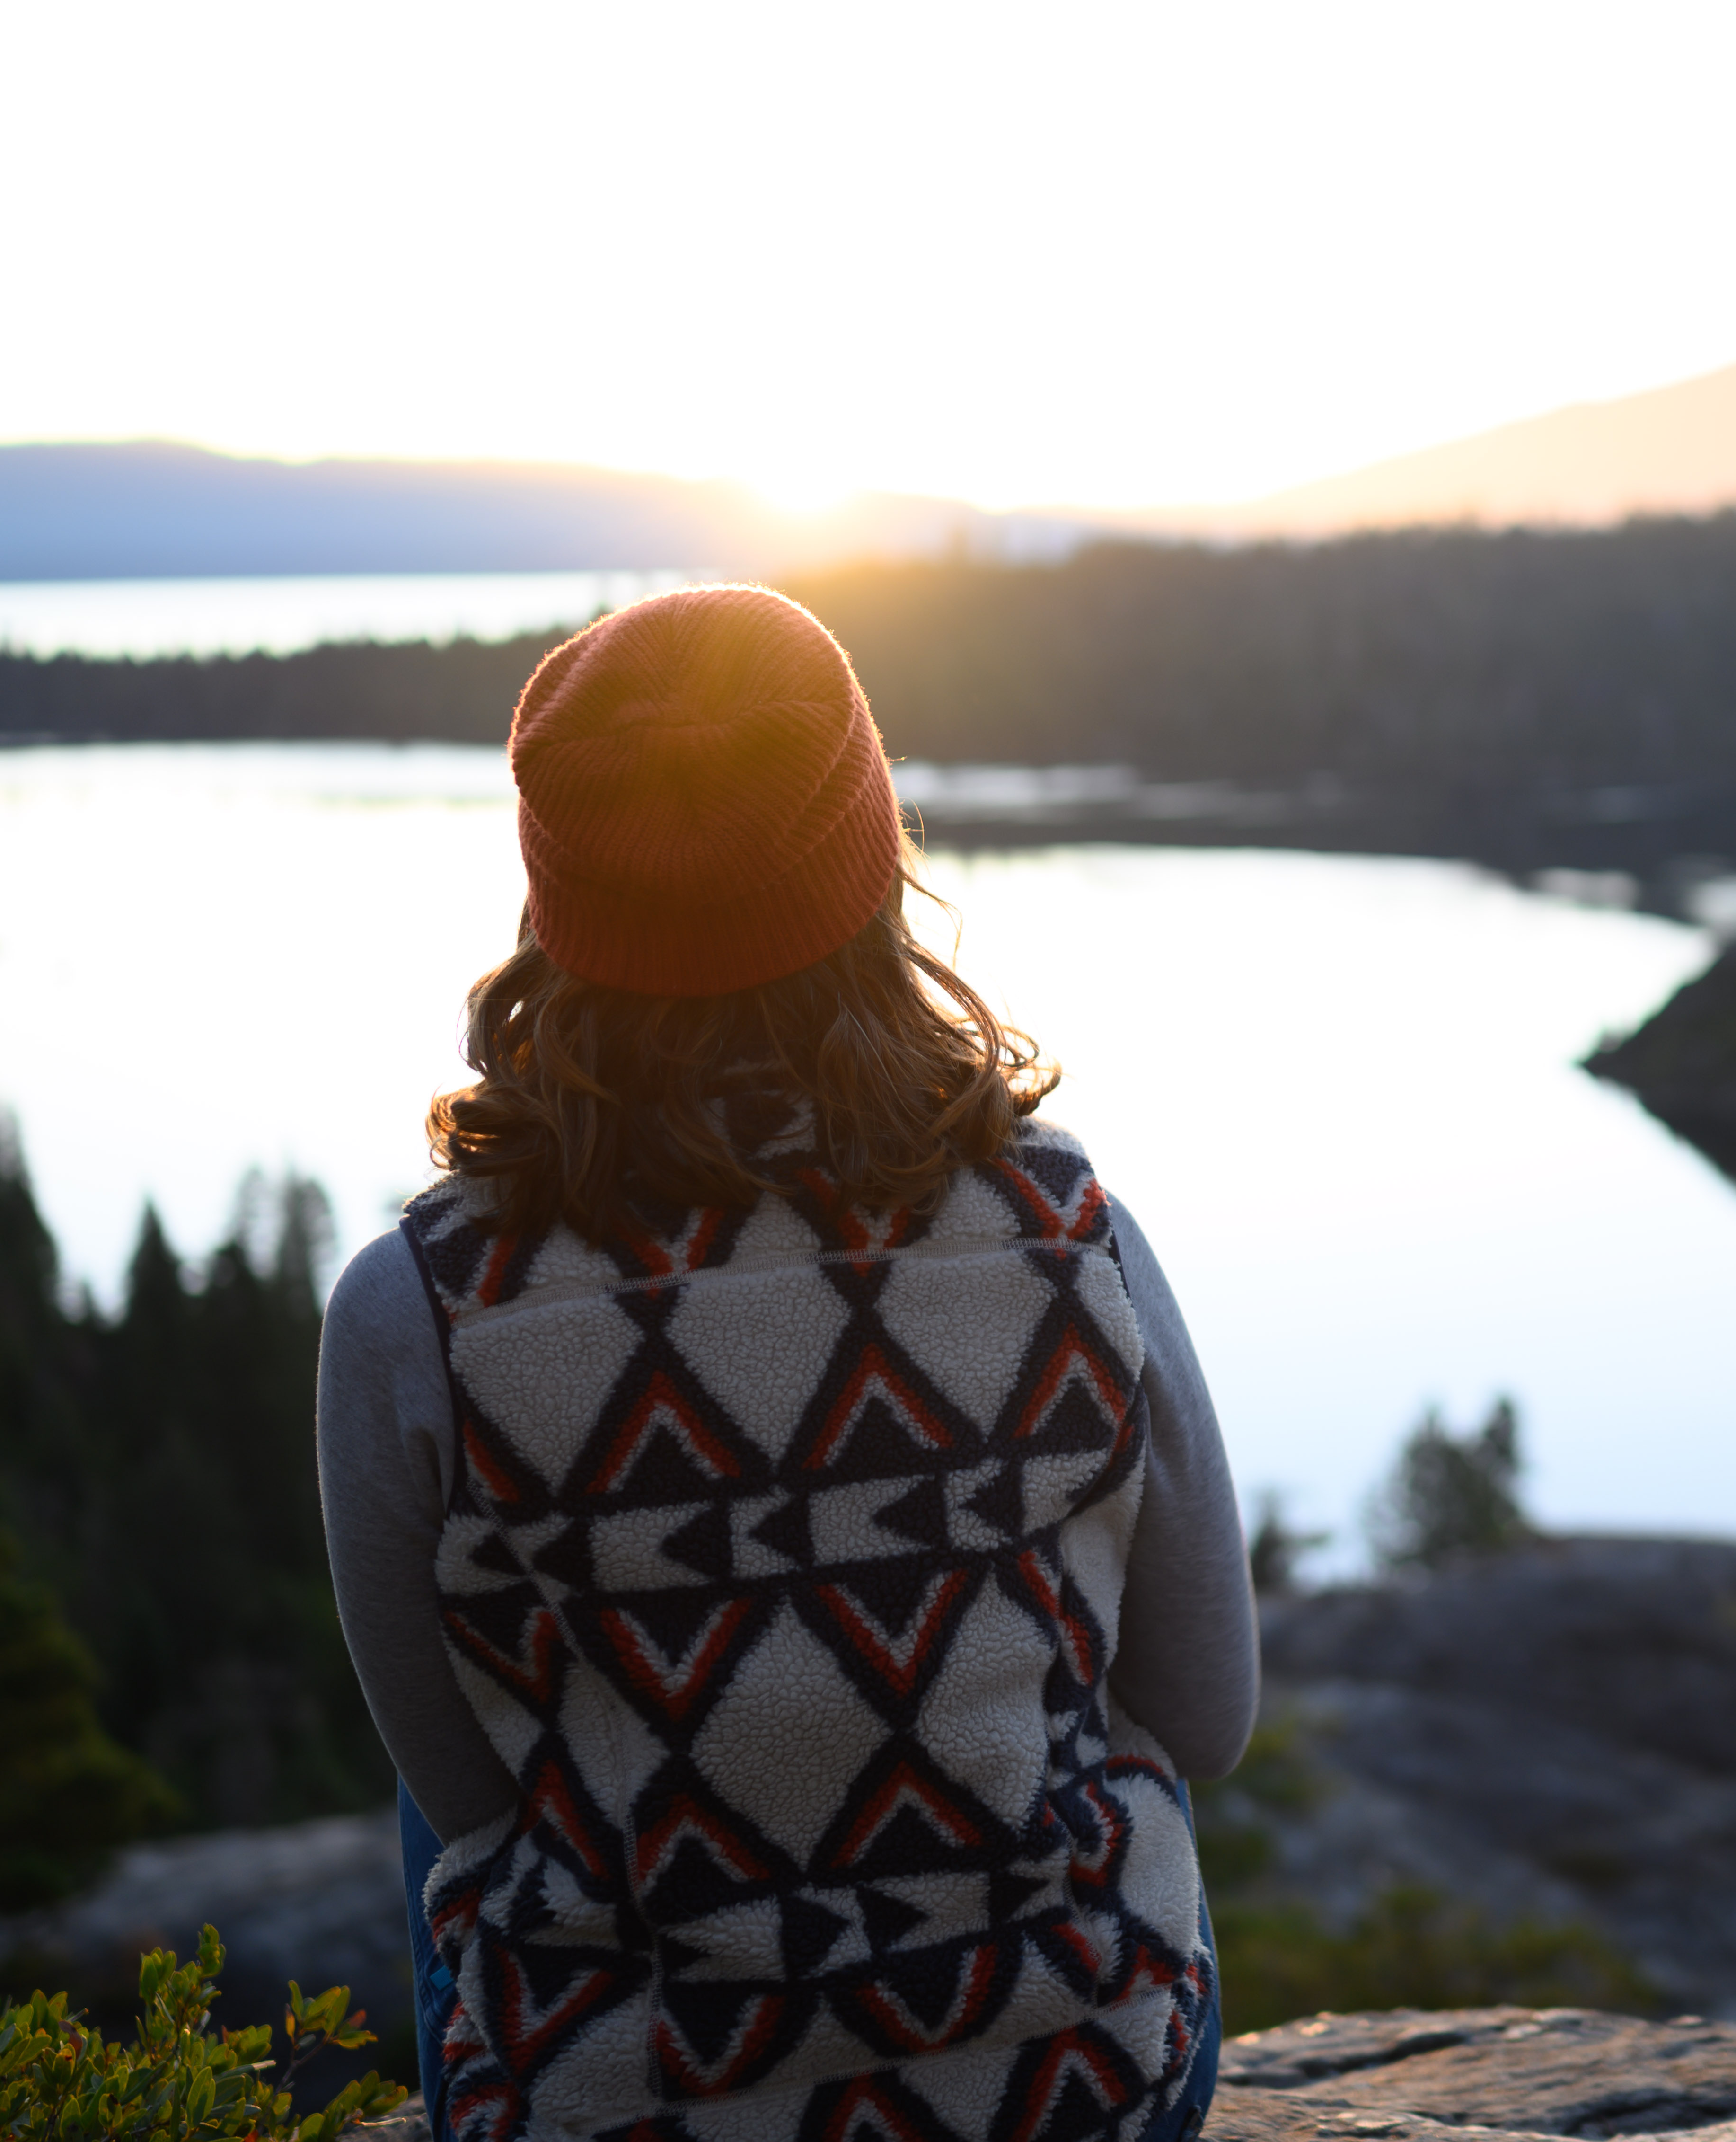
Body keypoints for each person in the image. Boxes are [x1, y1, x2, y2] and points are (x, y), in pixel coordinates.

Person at [318, 585, 1258, 2142]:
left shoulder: (418, 1307)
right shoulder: (1070, 1230)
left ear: (559, 903)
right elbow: (1204, 1717)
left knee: (480, 1753)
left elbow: (470, 1799)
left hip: (626, 2106)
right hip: (1080, 2092)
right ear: (867, 862)